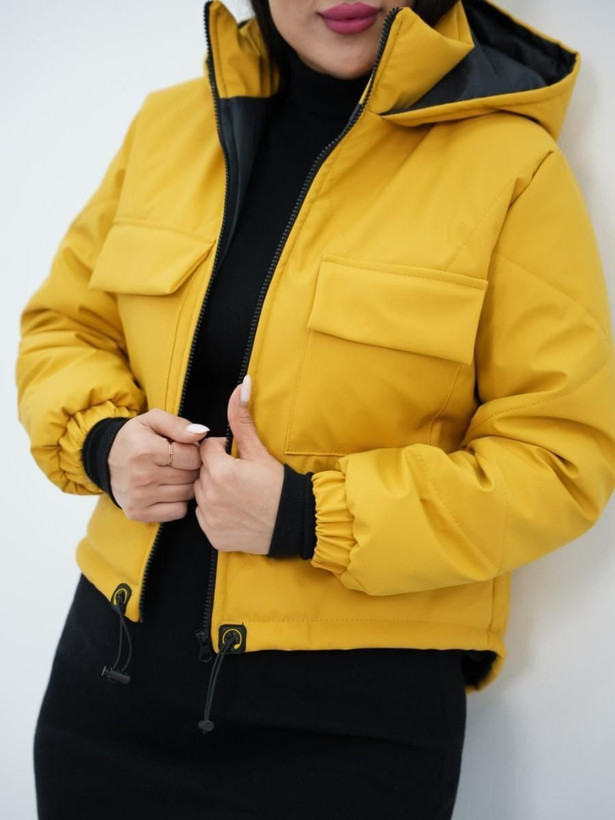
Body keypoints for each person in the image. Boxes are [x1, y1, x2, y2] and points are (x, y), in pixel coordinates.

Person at [17, 0, 615, 817]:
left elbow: (560, 459)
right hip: (110, 686)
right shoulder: (167, 126)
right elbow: (65, 327)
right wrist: (102, 442)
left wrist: (306, 515)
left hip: (353, 728)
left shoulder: (511, 164)